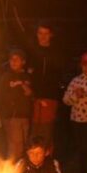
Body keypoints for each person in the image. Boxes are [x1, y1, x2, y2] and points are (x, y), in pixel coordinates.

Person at [26, 22, 63, 152]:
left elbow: (59, 75)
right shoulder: (31, 52)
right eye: (40, 33)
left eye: (46, 33)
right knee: (33, 130)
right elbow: (26, 75)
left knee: (46, 131)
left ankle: (46, 161)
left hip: (49, 98)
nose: (42, 36)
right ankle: (32, 160)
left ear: (51, 35)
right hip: (32, 99)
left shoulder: (56, 53)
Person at [0, 48, 33, 161]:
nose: (13, 62)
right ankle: (10, 171)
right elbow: (0, 96)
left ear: (23, 62)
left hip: (24, 116)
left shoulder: (27, 77)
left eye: (17, 59)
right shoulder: (6, 77)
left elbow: (30, 94)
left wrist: (25, 87)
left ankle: (20, 172)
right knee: (14, 147)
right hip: (12, 117)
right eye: (12, 59)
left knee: (22, 146)